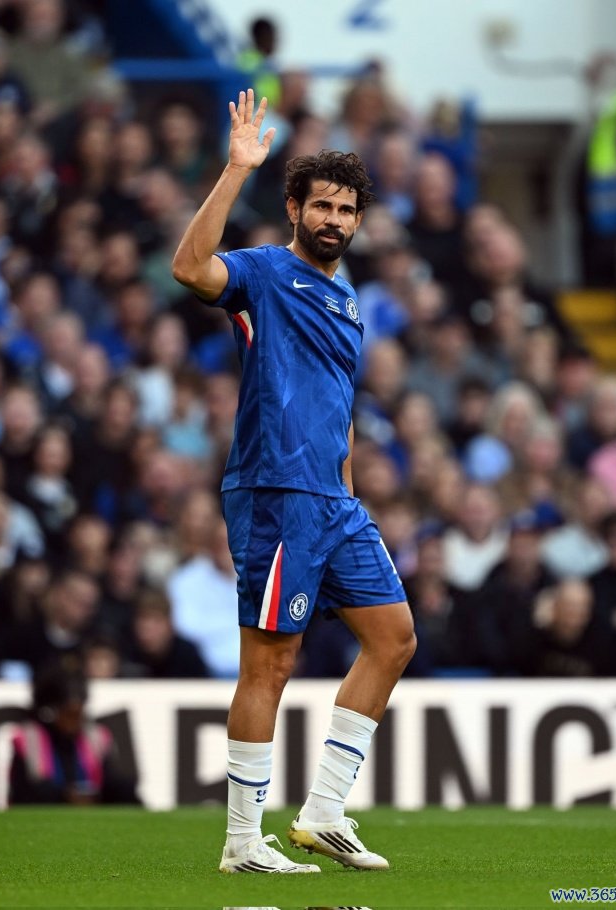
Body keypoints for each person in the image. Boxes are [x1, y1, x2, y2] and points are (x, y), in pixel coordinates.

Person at [172, 89, 416, 874]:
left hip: (333, 500)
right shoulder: (268, 273)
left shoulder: (348, 301)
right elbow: (189, 267)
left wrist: (347, 486)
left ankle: (324, 813)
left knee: (394, 637)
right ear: (294, 209)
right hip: (276, 492)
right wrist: (235, 169)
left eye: (346, 210)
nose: (334, 220)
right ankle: (243, 842)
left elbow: (339, 406)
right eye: (322, 206)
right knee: (270, 663)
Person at [8, 659, 140, 805]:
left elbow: (110, 782)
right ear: (50, 711)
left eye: (79, 714)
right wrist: (64, 796)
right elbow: (22, 792)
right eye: (69, 714)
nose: (75, 722)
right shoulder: (29, 738)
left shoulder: (95, 737)